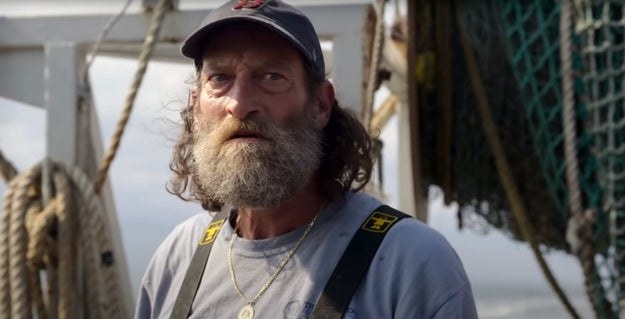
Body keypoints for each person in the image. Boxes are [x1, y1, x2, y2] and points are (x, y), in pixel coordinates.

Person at [135, 0, 478, 318]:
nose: (239, 105)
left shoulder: (411, 263)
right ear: (196, 106)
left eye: (272, 77)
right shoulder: (177, 259)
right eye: (220, 79)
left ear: (321, 105)